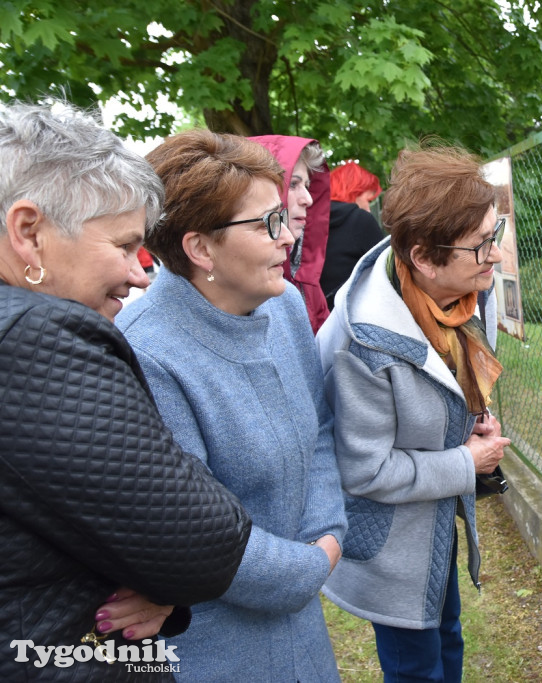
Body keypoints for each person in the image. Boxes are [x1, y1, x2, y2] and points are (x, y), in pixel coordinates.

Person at [0, 101, 251, 679]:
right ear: (29, 232)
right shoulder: (34, 338)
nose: (140, 273)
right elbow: (204, 547)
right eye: (121, 246)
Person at [117, 130, 348, 681]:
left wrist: (328, 533)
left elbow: (317, 430)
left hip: (301, 626)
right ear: (200, 249)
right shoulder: (147, 353)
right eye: (269, 223)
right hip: (213, 645)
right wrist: (310, 567)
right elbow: (191, 534)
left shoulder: (285, 304)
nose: (289, 236)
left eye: (284, 216)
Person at [317, 143, 510, 682]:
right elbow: (367, 470)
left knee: (447, 637)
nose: (494, 255)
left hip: (432, 525)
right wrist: (466, 462)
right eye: (479, 245)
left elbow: (440, 391)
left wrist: (470, 421)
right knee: (416, 665)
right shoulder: (365, 345)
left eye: (495, 235)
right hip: (391, 542)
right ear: (423, 256)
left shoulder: (459, 297)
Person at [250, 135, 332, 333]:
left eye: (307, 186)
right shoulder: (243, 286)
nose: (308, 199)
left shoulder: (306, 282)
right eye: (293, 184)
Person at [321, 161, 385, 310]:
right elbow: (388, 273)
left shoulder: (308, 220)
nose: (369, 209)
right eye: (368, 200)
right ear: (354, 192)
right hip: (352, 317)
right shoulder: (360, 219)